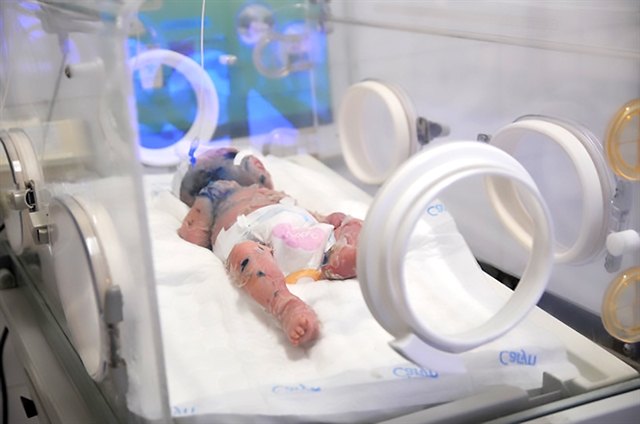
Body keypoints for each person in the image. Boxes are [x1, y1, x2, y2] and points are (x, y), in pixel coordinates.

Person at [177, 148, 362, 346]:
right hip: (261, 245)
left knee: (346, 221)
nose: (254, 160)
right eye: (237, 157)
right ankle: (284, 304)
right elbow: (193, 239)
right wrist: (206, 198)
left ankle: (345, 256)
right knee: (244, 252)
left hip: (311, 236)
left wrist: (329, 221)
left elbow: (309, 214)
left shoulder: (273, 194)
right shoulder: (220, 190)